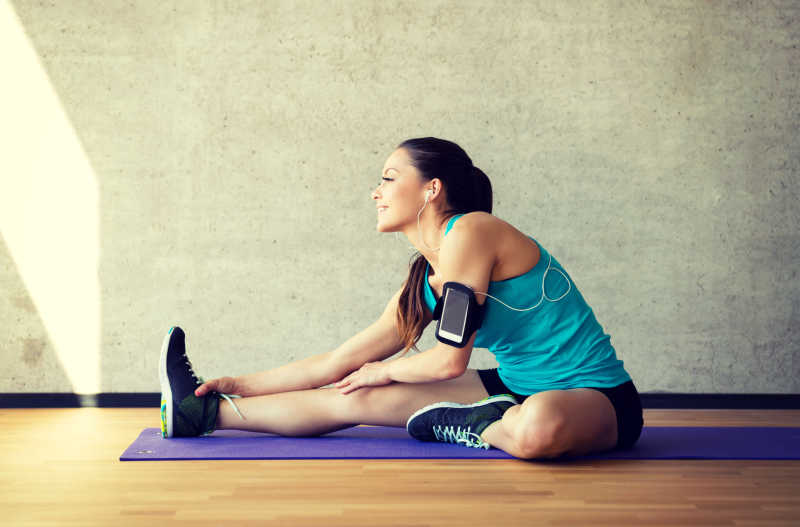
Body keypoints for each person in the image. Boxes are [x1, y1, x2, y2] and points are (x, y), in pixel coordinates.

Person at [159, 137, 643, 460]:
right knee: (352, 394)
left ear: (432, 190)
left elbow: (450, 361)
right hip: (510, 387)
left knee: (539, 428)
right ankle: (200, 413)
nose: (376, 192)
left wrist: (386, 370)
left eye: (389, 178)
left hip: (595, 397)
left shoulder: (474, 230)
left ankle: (476, 424)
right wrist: (236, 384)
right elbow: (338, 362)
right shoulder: (423, 282)